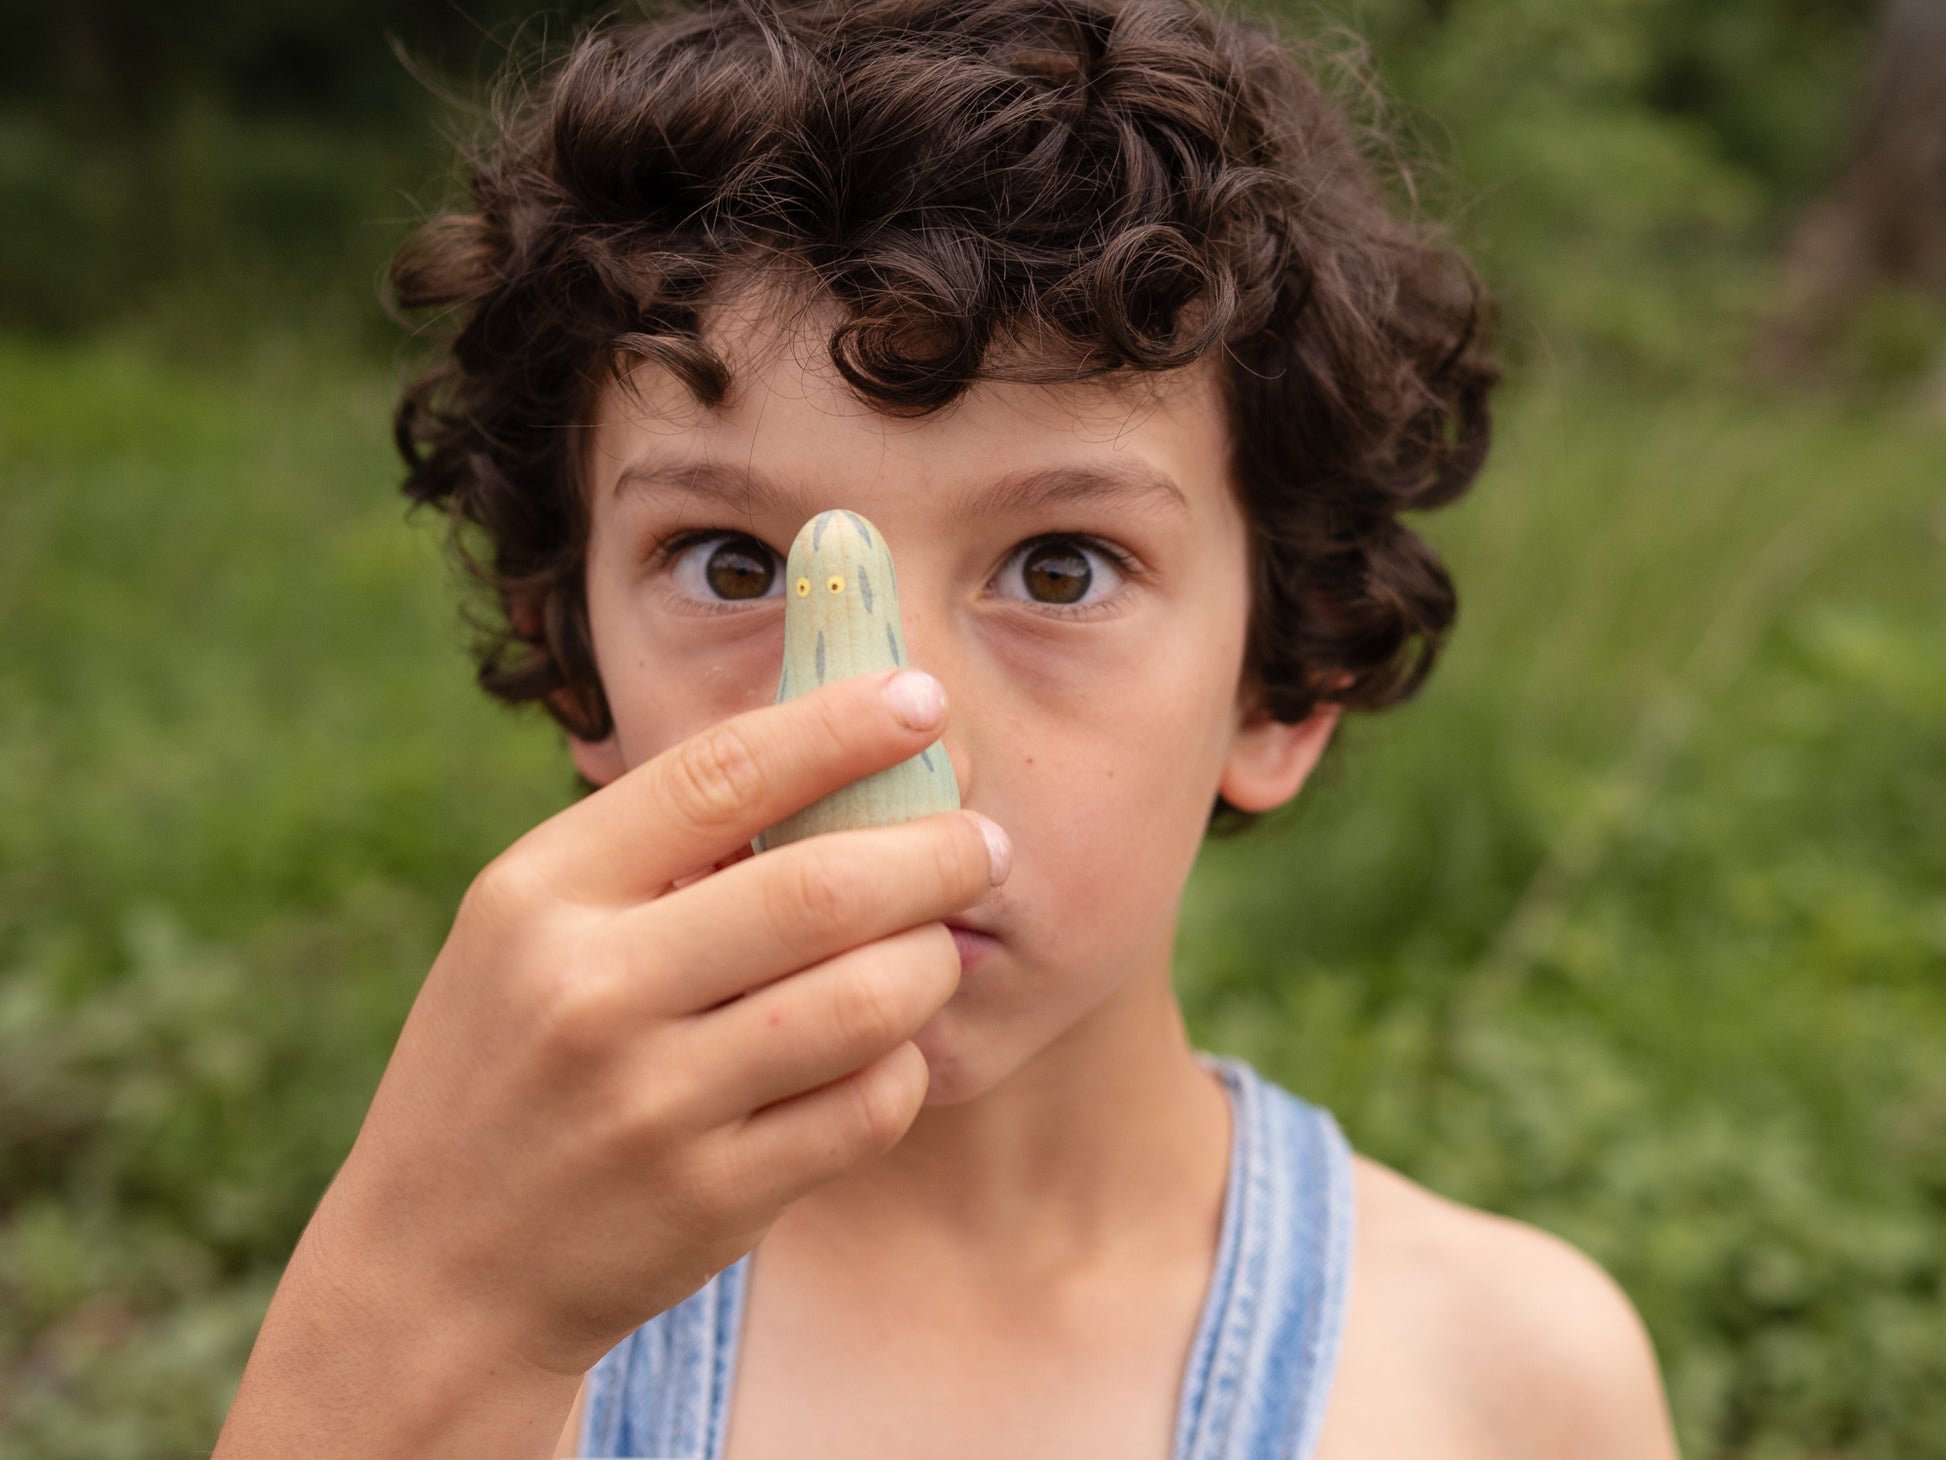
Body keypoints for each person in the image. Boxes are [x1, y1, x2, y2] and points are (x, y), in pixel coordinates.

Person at [213, 1, 1682, 1455]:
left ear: (1282, 680)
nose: (890, 760)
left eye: (1062, 570)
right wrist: (431, 1303)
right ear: (575, 654)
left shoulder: (1508, 1383)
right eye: (734, 567)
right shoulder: (477, 1337)